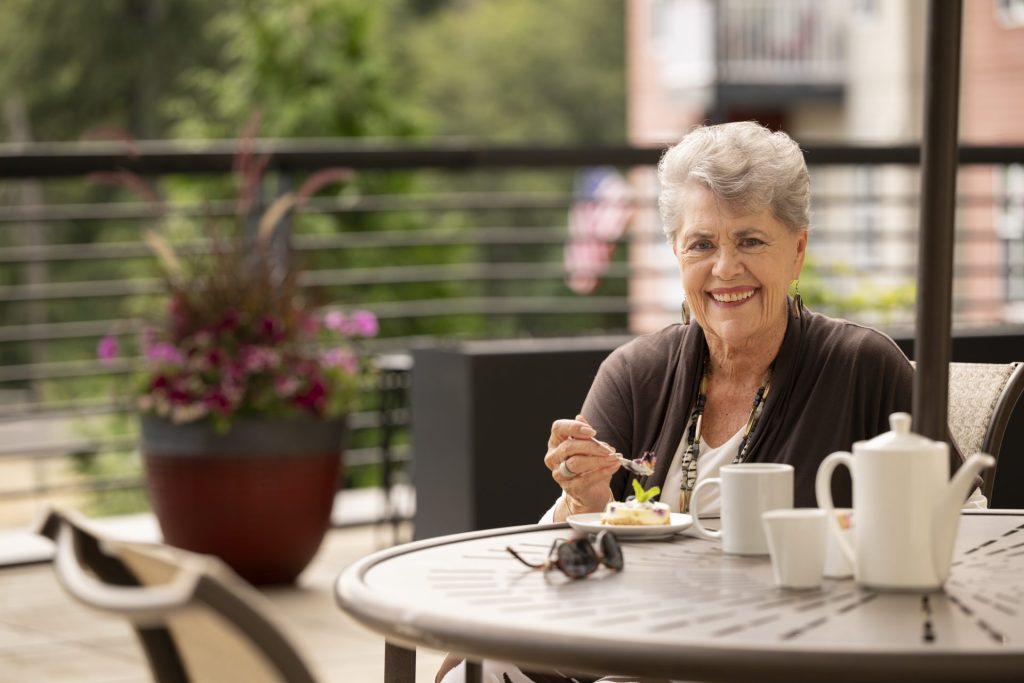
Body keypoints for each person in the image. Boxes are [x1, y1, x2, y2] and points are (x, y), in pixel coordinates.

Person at [439, 121, 983, 683]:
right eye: (702, 244)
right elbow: (568, 561)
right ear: (677, 253)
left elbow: (967, 526)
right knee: (478, 670)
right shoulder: (635, 373)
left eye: (750, 240)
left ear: (796, 252)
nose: (725, 268)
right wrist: (585, 498)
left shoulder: (862, 367)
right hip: (635, 638)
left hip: (796, 651)